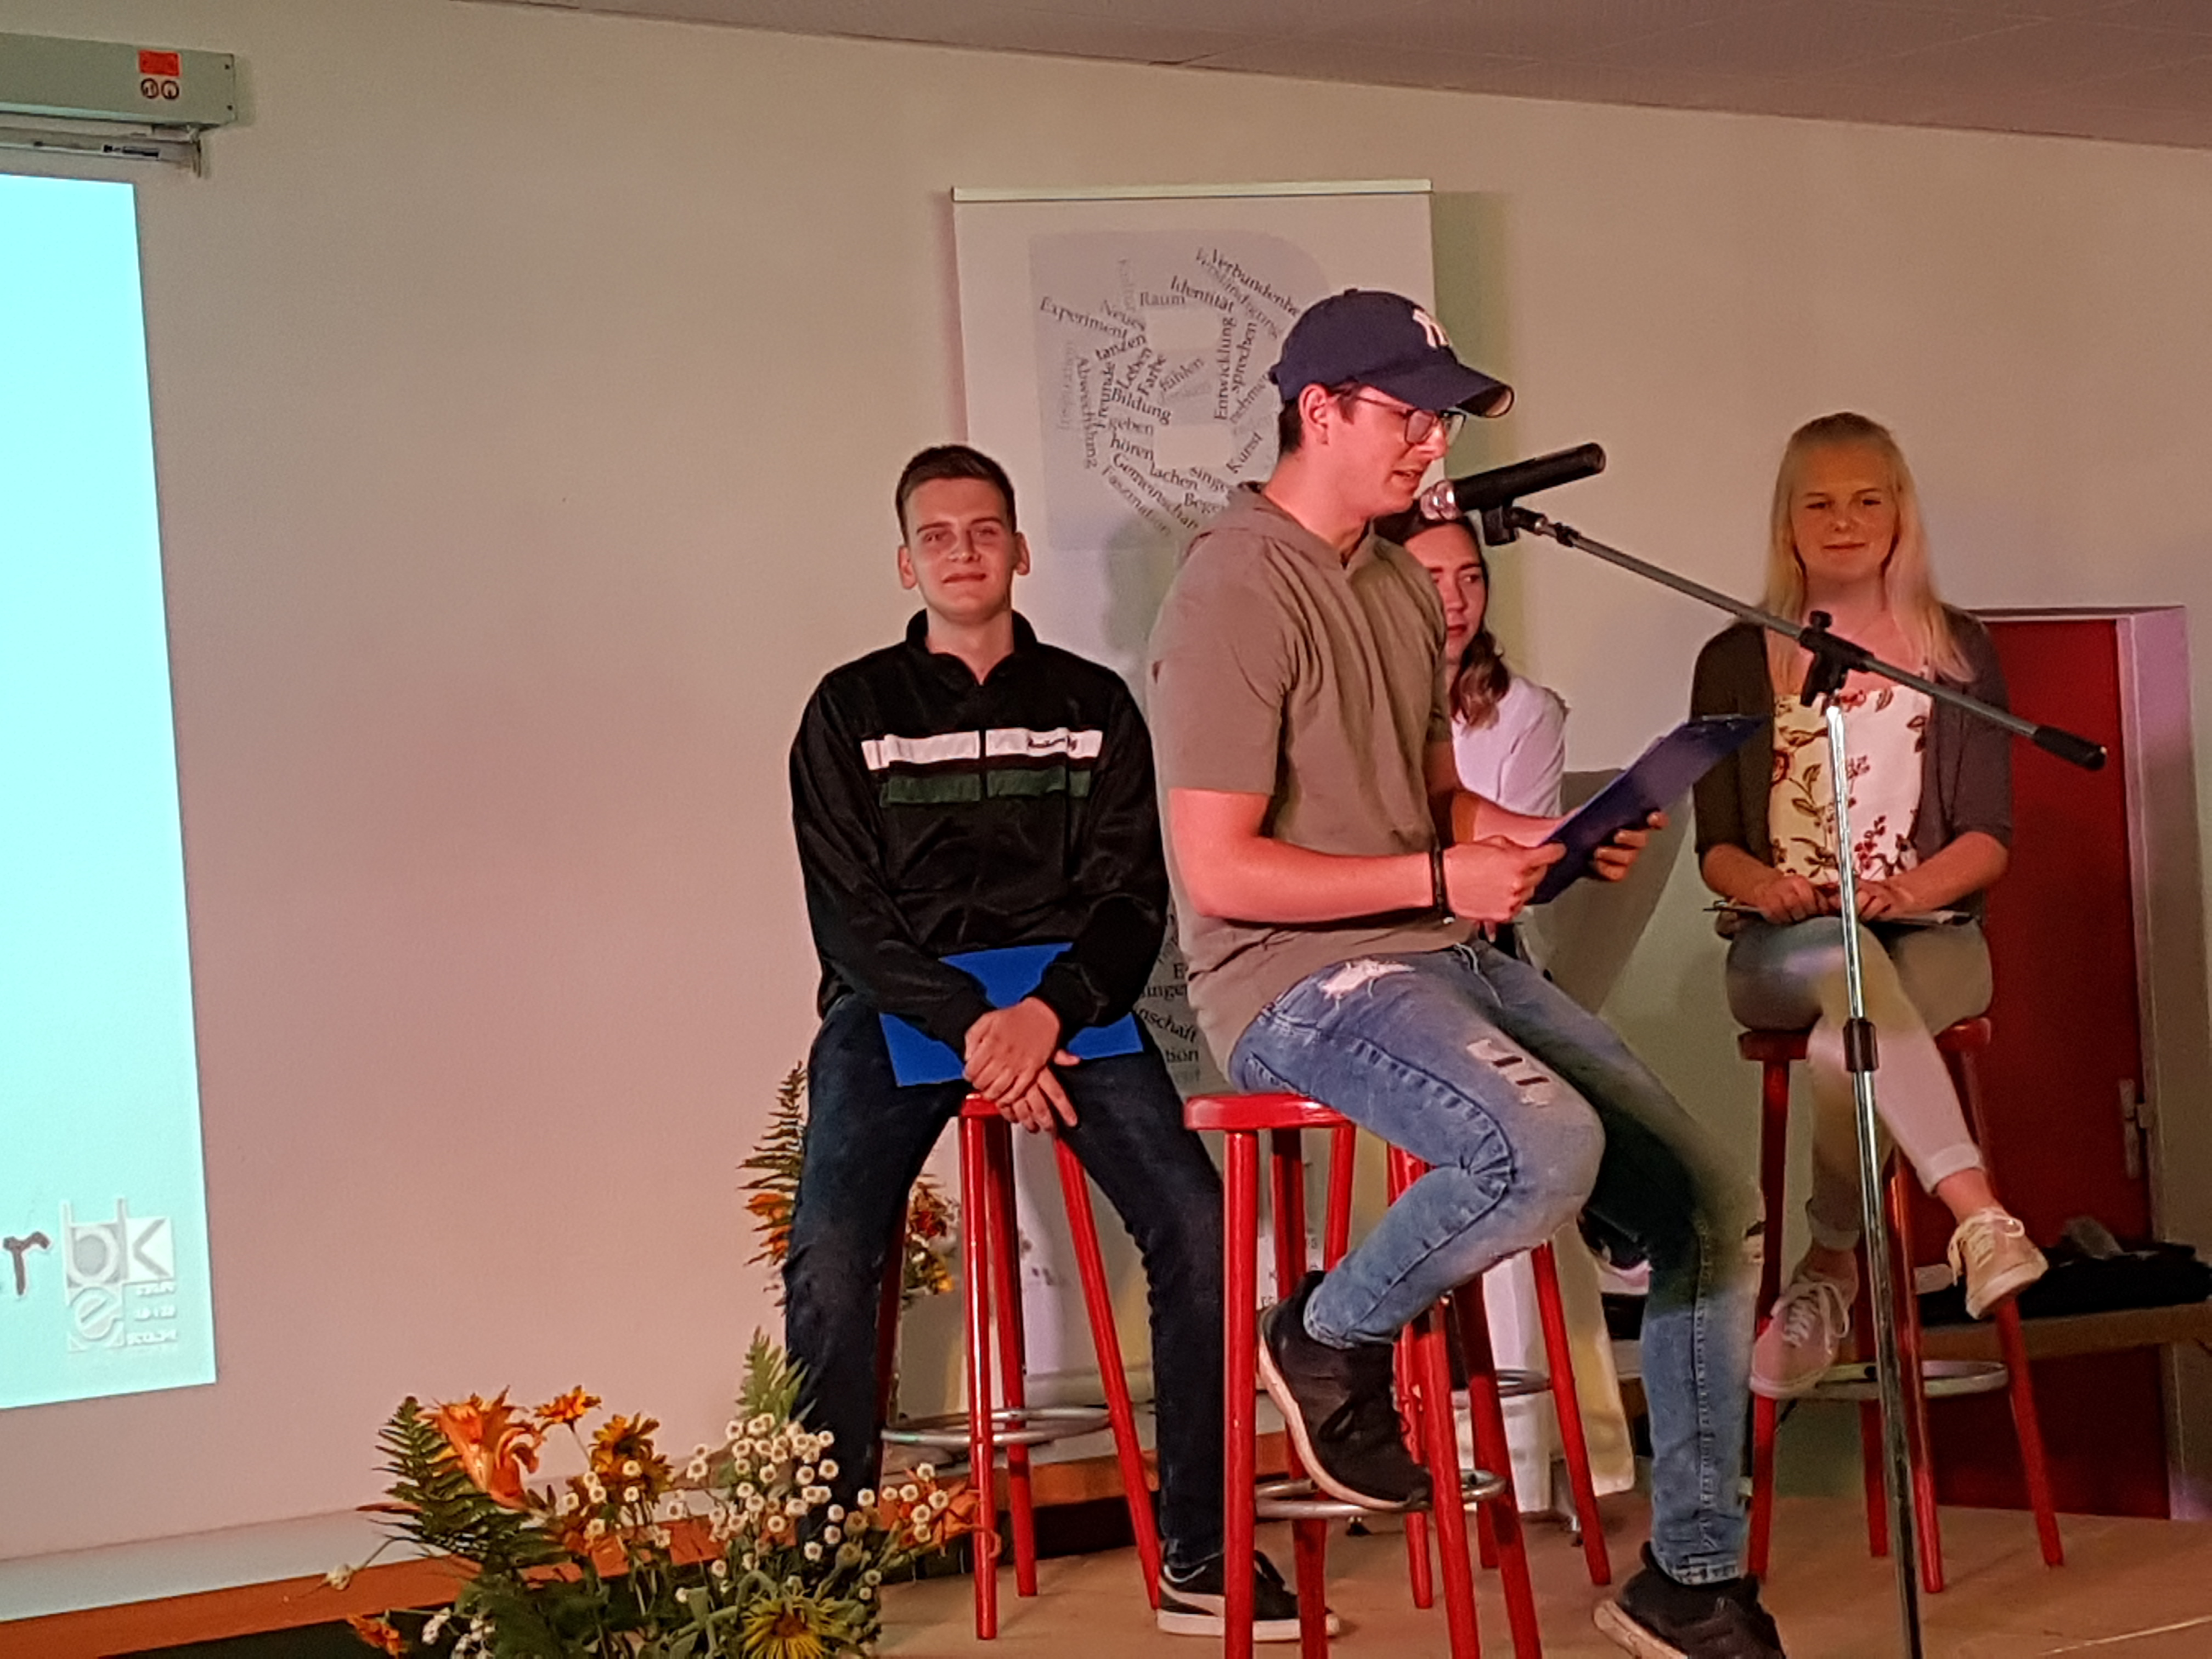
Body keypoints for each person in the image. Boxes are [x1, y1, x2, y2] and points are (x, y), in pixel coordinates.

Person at [1147, 290, 1786, 1659]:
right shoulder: (1232, 590)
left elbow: (1428, 796)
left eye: (1443, 419)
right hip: (1291, 980)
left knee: (1710, 1203)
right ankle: (1326, 1336)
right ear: (1320, 411)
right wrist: (1443, 877)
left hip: (1435, 951)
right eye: (1410, 414)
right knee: (1545, 1146)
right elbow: (1219, 872)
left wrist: (1539, 838)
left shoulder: (1391, 583)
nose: (1434, 443)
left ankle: (1691, 1578)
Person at [786, 444, 1313, 1639]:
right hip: (904, 1005)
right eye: (937, 535)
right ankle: (818, 1579)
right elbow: (850, 921)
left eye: (985, 530)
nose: (963, 551)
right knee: (829, 1254)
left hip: (1067, 1002)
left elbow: (1131, 900)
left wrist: (1047, 1015)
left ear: (1019, 551)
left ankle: (1201, 1550)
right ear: (906, 563)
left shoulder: (1094, 705)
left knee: (1199, 1227)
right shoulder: (848, 710)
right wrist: (978, 1030)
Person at [1690, 411, 2047, 1400]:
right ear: (1788, 522)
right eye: (1820, 504)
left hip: (1929, 935)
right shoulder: (1735, 658)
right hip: (1787, 944)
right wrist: (1764, 886)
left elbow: (1988, 837)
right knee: (1838, 974)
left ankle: (1829, 1266)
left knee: (1841, 1040)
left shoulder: (1955, 648)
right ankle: (1976, 1212)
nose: (1844, 523)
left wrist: (1907, 890)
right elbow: (1716, 845)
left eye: (1866, 501)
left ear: (1899, 515)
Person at [1380, 510, 1639, 1522]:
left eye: (1470, 579)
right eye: (1432, 578)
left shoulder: (1521, 710)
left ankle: (1535, 1450)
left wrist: (1557, 843)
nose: (1454, 599)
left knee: (1534, 1064)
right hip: (1380, 958)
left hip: (1477, 946)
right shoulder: (1366, 692)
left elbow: (1508, 875)